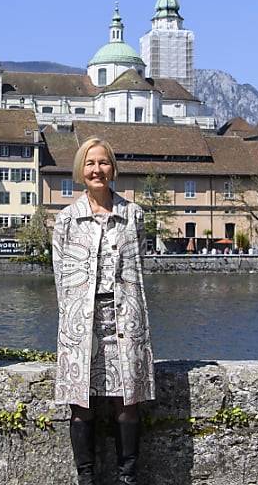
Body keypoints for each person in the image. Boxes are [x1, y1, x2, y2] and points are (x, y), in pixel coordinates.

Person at [52, 137, 154, 485]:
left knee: (128, 403)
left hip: (125, 318)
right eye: (90, 163)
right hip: (82, 323)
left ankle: (128, 477)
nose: (97, 169)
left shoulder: (133, 214)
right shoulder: (66, 220)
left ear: (113, 169)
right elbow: (59, 277)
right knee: (81, 406)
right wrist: (70, 317)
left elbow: (140, 268)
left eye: (104, 163)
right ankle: (87, 478)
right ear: (81, 170)